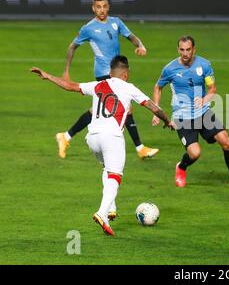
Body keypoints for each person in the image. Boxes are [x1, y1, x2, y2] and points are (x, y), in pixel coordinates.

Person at [30, 56, 175, 236]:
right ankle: (102, 213)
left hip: (92, 138)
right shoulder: (129, 88)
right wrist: (167, 120)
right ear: (126, 74)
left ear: (109, 72)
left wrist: (48, 76)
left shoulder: (97, 85)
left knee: (107, 168)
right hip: (111, 137)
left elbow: (70, 86)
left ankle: (111, 208)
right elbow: (153, 107)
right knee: (115, 175)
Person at [55, 0, 158, 159]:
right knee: (127, 107)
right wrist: (66, 70)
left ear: (108, 7)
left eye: (104, 6)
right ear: (93, 8)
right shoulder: (88, 28)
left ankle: (65, 136)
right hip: (103, 73)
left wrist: (140, 45)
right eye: (98, 7)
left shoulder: (116, 22)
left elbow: (131, 37)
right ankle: (140, 148)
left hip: (116, 72)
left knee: (97, 110)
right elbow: (72, 47)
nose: (101, 10)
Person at [152, 35, 229, 190]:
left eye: (188, 50)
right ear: (178, 49)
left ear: (194, 49)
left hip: (203, 112)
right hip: (182, 117)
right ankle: (182, 167)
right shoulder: (169, 69)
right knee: (195, 153)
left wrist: (205, 100)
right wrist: (156, 110)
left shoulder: (204, 65)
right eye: (182, 50)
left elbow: (212, 89)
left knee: (226, 141)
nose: (185, 53)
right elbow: (158, 87)